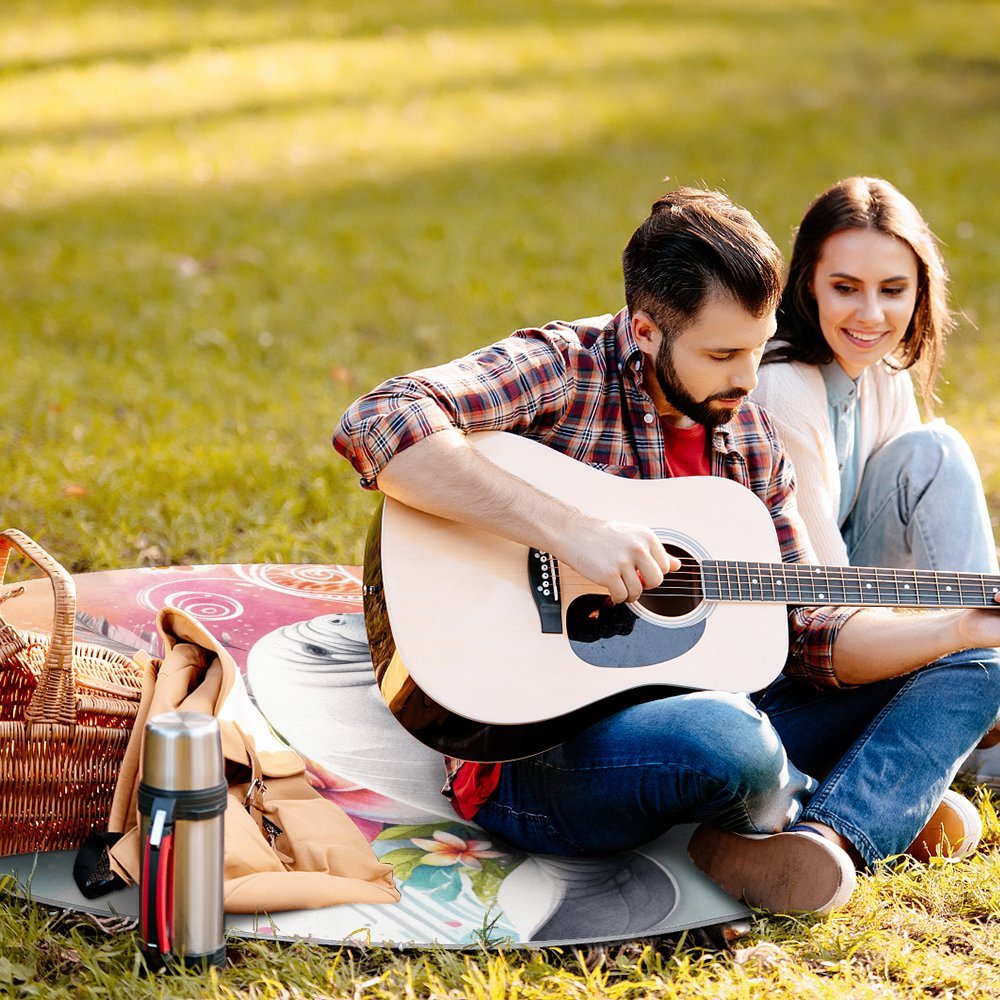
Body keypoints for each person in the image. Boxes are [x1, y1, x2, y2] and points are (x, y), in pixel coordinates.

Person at [333, 187, 1000, 916]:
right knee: (729, 742)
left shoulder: (748, 436)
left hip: (724, 708)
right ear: (646, 330)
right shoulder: (564, 367)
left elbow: (809, 628)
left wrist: (956, 628)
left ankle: (830, 836)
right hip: (536, 752)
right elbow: (380, 419)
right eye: (722, 354)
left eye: (757, 346)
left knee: (980, 665)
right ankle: (856, 795)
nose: (748, 380)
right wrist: (569, 530)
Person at [753, 176, 1000, 788]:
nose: (871, 315)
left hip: (860, 614)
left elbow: (919, 545)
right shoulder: (783, 386)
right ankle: (978, 725)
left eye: (893, 290)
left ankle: (978, 695)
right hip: (795, 648)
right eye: (845, 288)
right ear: (807, 281)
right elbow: (824, 602)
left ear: (920, 291)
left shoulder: (882, 370)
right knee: (937, 451)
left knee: (931, 451)